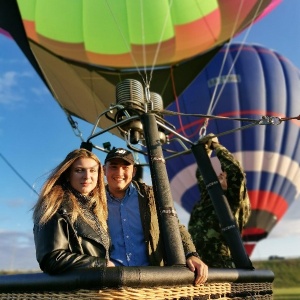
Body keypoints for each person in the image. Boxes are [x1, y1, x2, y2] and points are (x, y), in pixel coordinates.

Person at [103, 147, 208, 285]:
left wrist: (191, 254)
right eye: (114, 167)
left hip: (151, 279)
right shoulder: (94, 201)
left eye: (125, 167)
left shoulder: (152, 196)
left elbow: (175, 226)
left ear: (133, 171)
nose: (119, 172)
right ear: (104, 169)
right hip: (112, 282)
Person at [33, 149, 115, 274]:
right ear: (67, 174)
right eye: (79, 170)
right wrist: (102, 264)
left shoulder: (96, 210)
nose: (87, 176)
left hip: (98, 288)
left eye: (92, 170)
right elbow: (52, 259)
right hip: (76, 291)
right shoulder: (54, 205)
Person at [188, 134, 251, 268]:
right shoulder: (209, 199)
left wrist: (216, 146)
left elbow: (235, 172)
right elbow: (202, 177)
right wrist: (204, 153)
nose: (221, 174)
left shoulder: (232, 200)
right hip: (198, 266)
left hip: (222, 266)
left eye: (225, 175)